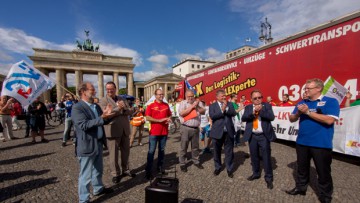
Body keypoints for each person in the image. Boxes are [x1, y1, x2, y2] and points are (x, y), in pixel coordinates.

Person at [287, 78, 340, 203]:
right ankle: (301, 188)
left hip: (321, 144)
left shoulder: (330, 101)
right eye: (305, 88)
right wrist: (298, 113)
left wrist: (308, 112)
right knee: (302, 168)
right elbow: (291, 118)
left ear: (318, 88)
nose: (305, 90)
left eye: (308, 88)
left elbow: (329, 120)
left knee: (323, 171)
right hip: (302, 142)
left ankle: (325, 195)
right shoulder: (302, 102)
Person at [72, 82, 114, 203]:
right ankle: (84, 199)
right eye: (92, 89)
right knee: (85, 175)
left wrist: (108, 116)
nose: (94, 91)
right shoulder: (78, 107)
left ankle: (98, 189)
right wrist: (101, 118)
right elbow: (83, 125)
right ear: (83, 92)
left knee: (98, 170)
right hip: (86, 145)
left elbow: (101, 121)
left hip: (98, 143)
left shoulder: (95, 106)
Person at [99, 81, 136, 184]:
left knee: (126, 152)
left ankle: (125, 170)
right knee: (113, 155)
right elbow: (106, 115)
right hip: (112, 130)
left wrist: (124, 109)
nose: (110, 91)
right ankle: (115, 173)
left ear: (115, 89)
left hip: (124, 129)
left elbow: (129, 111)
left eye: (112, 89)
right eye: (108, 89)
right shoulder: (103, 101)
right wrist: (118, 108)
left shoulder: (122, 98)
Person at [242, 90, 276, 189]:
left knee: (266, 156)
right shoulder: (248, 107)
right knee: (254, 156)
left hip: (263, 136)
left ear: (262, 97)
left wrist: (260, 111)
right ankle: (256, 173)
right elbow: (244, 118)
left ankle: (269, 177)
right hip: (252, 136)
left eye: (259, 97)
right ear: (251, 99)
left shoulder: (267, 106)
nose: (258, 100)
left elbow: (271, 117)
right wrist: (253, 113)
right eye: (255, 98)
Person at [144, 89, 172, 180]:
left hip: (164, 132)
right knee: (151, 151)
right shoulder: (150, 105)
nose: (161, 96)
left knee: (162, 150)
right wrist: (159, 120)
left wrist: (169, 119)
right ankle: (148, 170)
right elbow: (147, 117)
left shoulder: (166, 105)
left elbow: (169, 115)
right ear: (155, 95)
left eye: (162, 94)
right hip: (154, 132)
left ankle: (159, 167)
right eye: (159, 94)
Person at [209, 89, 237, 178]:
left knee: (229, 151)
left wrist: (226, 108)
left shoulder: (229, 104)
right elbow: (212, 116)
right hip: (217, 132)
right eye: (222, 96)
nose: (224, 97)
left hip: (228, 131)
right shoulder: (212, 106)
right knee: (217, 151)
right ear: (217, 97)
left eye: (225, 96)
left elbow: (233, 113)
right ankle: (218, 167)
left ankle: (229, 169)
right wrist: (222, 110)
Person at [178, 89, 205, 172]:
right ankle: (182, 163)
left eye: (192, 96)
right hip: (185, 127)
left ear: (194, 96)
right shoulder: (183, 103)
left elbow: (203, 112)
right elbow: (182, 113)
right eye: (188, 96)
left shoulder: (198, 103)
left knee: (195, 147)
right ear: (186, 96)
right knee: (184, 147)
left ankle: (196, 161)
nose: (190, 98)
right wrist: (192, 106)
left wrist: (196, 106)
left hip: (195, 128)